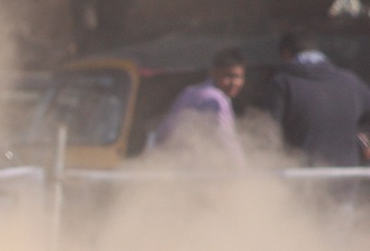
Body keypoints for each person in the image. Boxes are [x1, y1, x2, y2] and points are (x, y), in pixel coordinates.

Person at [266, 30, 370, 168]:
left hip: (303, 181)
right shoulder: (352, 82)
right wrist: (362, 142)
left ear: (285, 53)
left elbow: (269, 133)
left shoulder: (283, 84)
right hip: (347, 180)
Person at [152, 47, 247, 169]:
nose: (234, 82)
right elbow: (225, 139)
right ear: (213, 73)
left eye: (239, 77)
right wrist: (242, 170)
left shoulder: (189, 91)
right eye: (229, 76)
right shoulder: (217, 99)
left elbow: (163, 132)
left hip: (170, 166)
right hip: (195, 172)